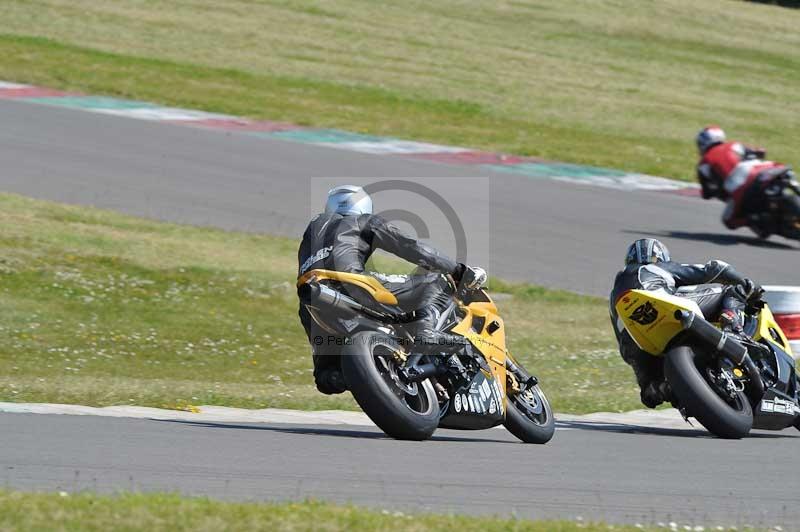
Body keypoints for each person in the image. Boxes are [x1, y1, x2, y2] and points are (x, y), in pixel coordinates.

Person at [298, 185, 487, 395]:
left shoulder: (312, 230)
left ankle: (349, 375)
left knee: (326, 375)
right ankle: (426, 332)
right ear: (362, 205)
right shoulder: (364, 221)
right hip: (352, 283)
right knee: (435, 278)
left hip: (310, 298)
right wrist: (458, 270)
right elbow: (411, 247)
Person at [609, 238, 762, 408]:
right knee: (731, 291)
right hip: (667, 311)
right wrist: (746, 284)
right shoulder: (654, 267)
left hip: (636, 344)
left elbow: (621, 340)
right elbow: (715, 269)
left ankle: (661, 388)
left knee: (650, 391)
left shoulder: (613, 294)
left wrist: (644, 376)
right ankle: (732, 328)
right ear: (660, 257)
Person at [695, 126, 791, 233]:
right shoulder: (734, 145)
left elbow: (706, 193)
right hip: (761, 170)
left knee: (728, 221)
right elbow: (760, 152)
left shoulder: (703, 164)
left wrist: (713, 190)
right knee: (784, 172)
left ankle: (755, 220)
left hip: (740, 187)